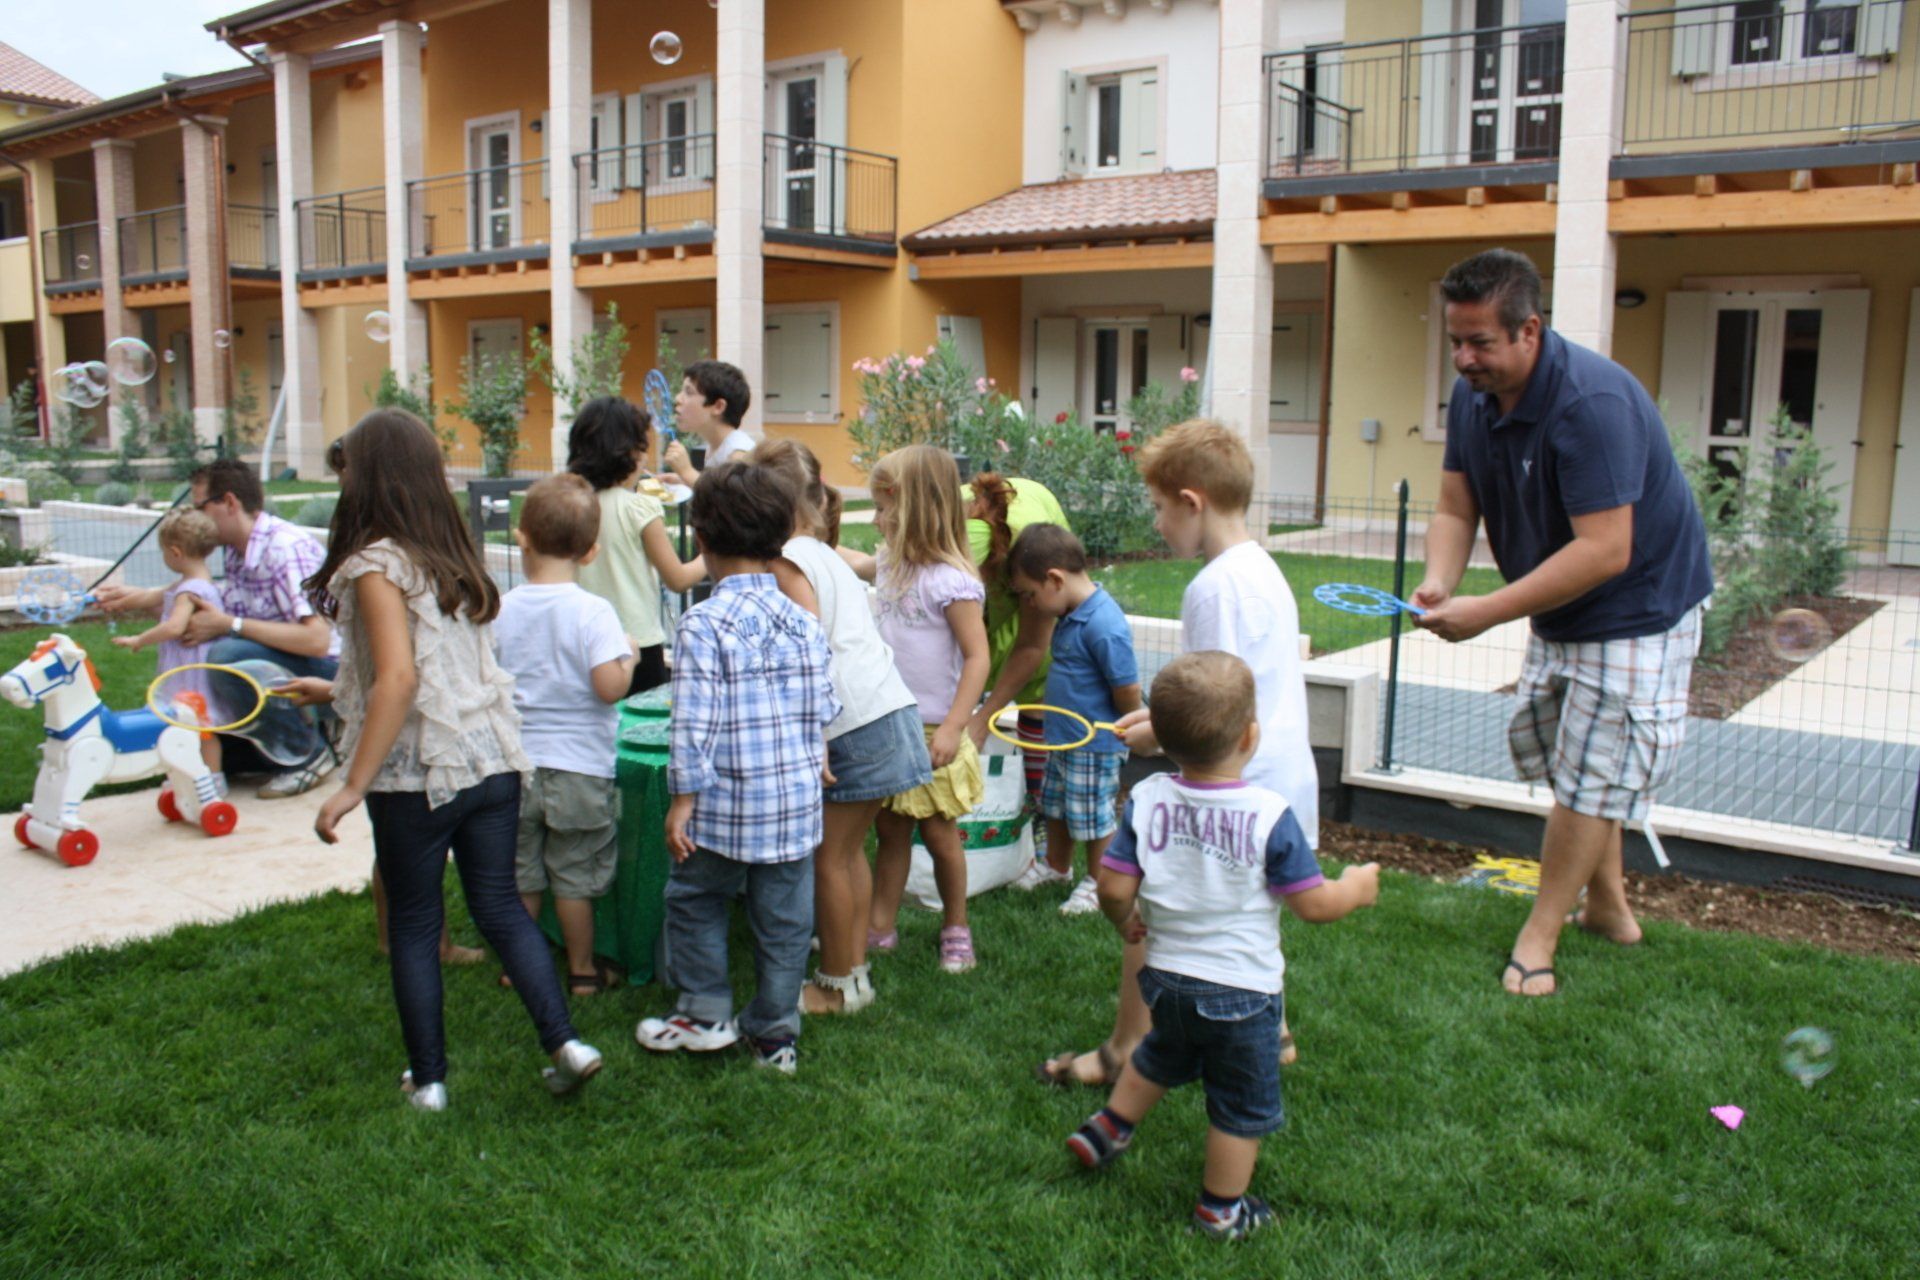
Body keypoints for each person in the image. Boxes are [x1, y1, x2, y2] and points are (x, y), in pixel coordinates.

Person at [1411, 248, 1713, 997]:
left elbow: (1607, 550)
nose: (1463, 357)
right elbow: (1456, 506)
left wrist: (1486, 613)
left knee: (1591, 776)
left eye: (1480, 341)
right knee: (1573, 762)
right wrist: (1441, 582)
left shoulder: (1590, 406)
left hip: (1638, 606)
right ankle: (1610, 909)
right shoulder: (1473, 396)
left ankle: (1539, 935)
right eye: (1455, 339)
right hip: (1561, 602)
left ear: (1530, 331)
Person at [292, 409, 602, 1112]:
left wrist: (351, 784)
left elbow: (400, 681)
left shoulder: (376, 563)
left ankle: (428, 1082)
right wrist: (337, 687)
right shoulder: (453, 555)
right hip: (490, 763)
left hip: (419, 775)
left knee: (413, 921)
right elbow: (413, 666)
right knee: (499, 907)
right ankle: (566, 1044)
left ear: (368, 479)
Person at [1039, 419, 1318, 1086]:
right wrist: (1155, 719)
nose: (1158, 523)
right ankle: (1270, 1028)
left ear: (1192, 502)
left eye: (1161, 509)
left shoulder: (1214, 587)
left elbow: (1213, 701)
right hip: (1278, 784)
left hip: (1235, 784)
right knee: (1244, 910)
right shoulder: (1262, 569)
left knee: (1154, 914)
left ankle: (1124, 1049)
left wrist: (1156, 735)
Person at [1065, 651, 1379, 1240]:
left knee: (1161, 1054)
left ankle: (1108, 1128)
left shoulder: (1149, 797)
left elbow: (1111, 885)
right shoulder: (1268, 814)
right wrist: (1355, 890)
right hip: (1244, 995)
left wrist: (1124, 919)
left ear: (1164, 738)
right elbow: (1314, 906)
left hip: (1164, 981)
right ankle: (1221, 1209)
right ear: (1251, 736)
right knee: (1240, 1107)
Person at [636, 461, 838, 1074]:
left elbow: (693, 722)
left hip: (723, 810)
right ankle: (775, 1037)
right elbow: (826, 702)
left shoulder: (701, 624)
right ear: (782, 537)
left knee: (695, 899)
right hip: (794, 809)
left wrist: (681, 801)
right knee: (784, 924)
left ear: (700, 540)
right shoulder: (805, 621)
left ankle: (704, 1014)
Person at [757, 439, 932, 1015]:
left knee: (828, 858)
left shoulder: (787, 560)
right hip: (889, 715)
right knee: (850, 852)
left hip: (852, 727)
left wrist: (810, 738)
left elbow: (808, 649)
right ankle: (852, 973)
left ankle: (834, 984)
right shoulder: (825, 552)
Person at [96, 458, 338, 799]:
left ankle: (308, 756)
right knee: (213, 743)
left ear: (229, 503)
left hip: (329, 674)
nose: (194, 517)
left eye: (199, 506)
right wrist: (138, 598)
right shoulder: (238, 553)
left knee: (225, 655)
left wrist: (229, 625)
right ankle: (289, 741)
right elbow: (204, 602)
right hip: (284, 663)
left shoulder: (284, 548)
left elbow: (318, 640)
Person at [845, 445, 991, 974]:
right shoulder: (890, 563)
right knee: (888, 828)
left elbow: (978, 657)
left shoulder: (951, 581)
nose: (879, 521)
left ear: (922, 510)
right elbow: (862, 564)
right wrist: (818, 550)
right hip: (893, 720)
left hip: (933, 729)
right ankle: (880, 924)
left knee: (938, 833)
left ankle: (956, 925)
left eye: (887, 510)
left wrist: (955, 727)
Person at [494, 474, 636, 997]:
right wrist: (628, 657)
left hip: (516, 765)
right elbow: (607, 688)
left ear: (521, 536)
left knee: (522, 873)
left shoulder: (503, 608)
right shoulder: (593, 612)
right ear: (592, 551)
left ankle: (518, 965)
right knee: (575, 876)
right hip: (579, 768)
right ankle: (581, 972)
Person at [1005, 523, 1142, 915]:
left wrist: (1129, 727)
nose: (1029, 604)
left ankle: (1101, 882)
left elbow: (1128, 690)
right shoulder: (1071, 612)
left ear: (1054, 579)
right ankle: (1056, 867)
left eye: (1030, 595)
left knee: (1092, 816)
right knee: (1058, 807)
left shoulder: (1104, 625)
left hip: (1095, 745)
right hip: (1064, 739)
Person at [566, 397, 705, 695]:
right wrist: (713, 555)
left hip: (581, 640)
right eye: (643, 450)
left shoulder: (569, 503)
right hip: (638, 644)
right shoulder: (639, 508)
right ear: (628, 453)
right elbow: (678, 579)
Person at [963, 473, 1071, 811]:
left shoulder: (1032, 555)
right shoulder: (942, 529)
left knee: (1037, 691)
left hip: (1027, 559)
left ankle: (1037, 807)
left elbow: (1032, 646)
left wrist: (981, 721)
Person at [111, 508, 227, 791]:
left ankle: (210, 782)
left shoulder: (189, 591)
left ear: (175, 552)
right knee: (196, 728)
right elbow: (159, 598)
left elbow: (174, 628)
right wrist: (125, 599)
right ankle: (194, 779)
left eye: (163, 552)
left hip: (190, 676)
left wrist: (140, 639)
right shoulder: (198, 582)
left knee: (197, 728)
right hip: (196, 668)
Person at [661, 359, 756, 486]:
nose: (677, 399)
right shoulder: (714, 446)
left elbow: (732, 502)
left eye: (688, 392)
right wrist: (683, 481)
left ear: (718, 407)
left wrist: (687, 472)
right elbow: (718, 487)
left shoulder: (739, 455)